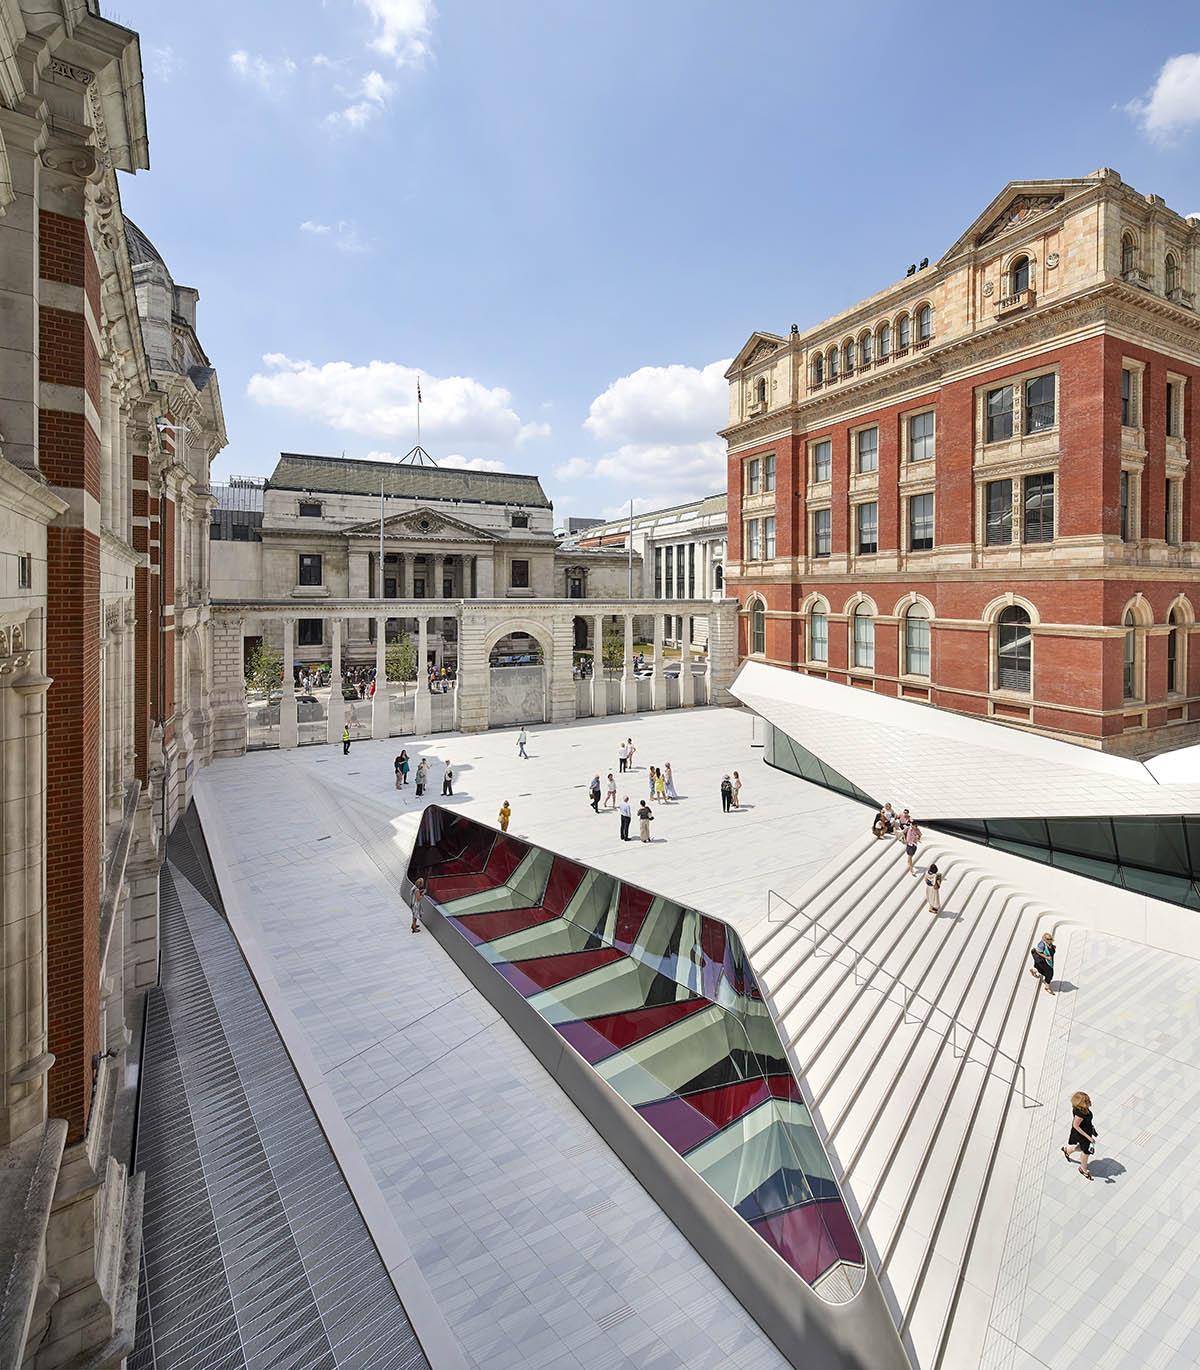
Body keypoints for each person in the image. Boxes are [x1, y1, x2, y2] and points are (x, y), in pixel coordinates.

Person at [1062, 1091, 1098, 1180]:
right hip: (1082, 1134)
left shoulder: (1081, 1109)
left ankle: (1068, 1151)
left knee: (1082, 1147)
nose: (1089, 1101)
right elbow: (1076, 1126)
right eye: (1087, 1100)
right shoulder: (1080, 1113)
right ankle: (1083, 1169)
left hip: (1086, 1131)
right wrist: (1089, 1138)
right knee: (1086, 1151)